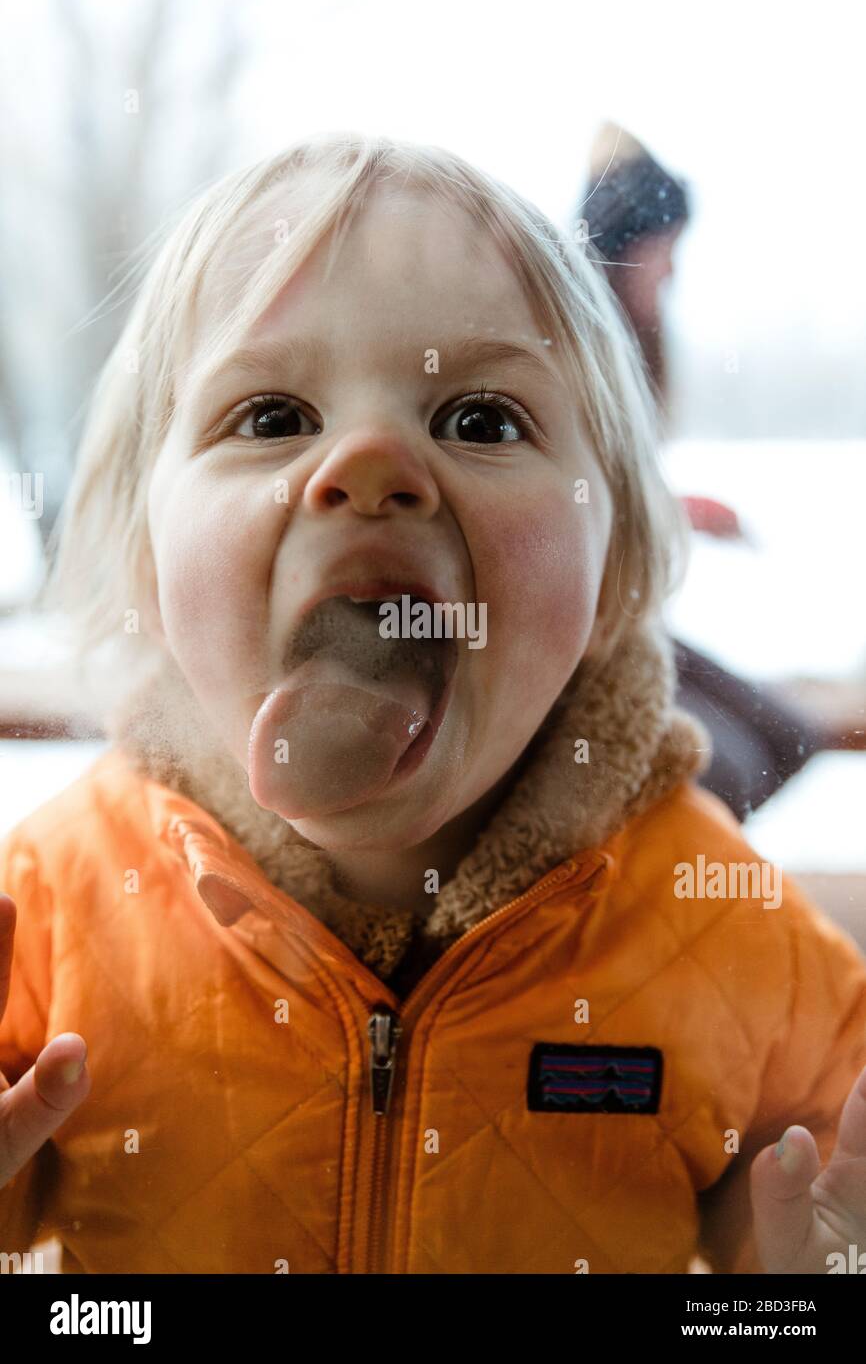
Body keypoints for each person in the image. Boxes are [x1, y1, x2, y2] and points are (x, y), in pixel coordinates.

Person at [0, 132, 865, 1275]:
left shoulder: (730, 936)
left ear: (610, 573)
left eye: (479, 420)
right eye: (270, 417)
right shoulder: (48, 911)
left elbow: (803, 1223)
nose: (367, 463)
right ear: (147, 560)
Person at [577, 123, 864, 821]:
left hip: (635, 621)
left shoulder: (640, 348)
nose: (671, 273)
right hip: (584, 635)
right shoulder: (572, 345)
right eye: (662, 252)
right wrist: (672, 513)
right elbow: (568, 509)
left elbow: (614, 493)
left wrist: (678, 508)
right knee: (725, 767)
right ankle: (652, 899)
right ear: (622, 245)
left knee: (790, 735)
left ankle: (707, 895)